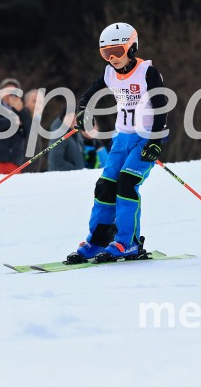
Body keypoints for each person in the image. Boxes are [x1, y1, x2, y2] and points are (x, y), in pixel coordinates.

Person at [66, 22, 168, 262]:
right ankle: (97, 241)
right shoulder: (109, 73)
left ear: (132, 47)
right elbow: (88, 95)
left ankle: (128, 242)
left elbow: (161, 107)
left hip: (145, 138)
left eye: (118, 51)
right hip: (121, 138)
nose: (112, 58)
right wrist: (82, 111)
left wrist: (155, 141)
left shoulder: (148, 73)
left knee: (126, 184)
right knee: (105, 186)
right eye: (106, 53)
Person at [0, 78, 32, 175]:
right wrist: (13, 121)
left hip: (14, 162)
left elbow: (30, 133)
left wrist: (22, 111)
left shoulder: (22, 110)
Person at [47, 107, 86, 172]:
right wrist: (76, 171)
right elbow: (55, 163)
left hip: (75, 178)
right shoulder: (59, 135)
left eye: (75, 116)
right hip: (63, 179)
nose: (73, 119)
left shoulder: (75, 134)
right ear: (63, 117)